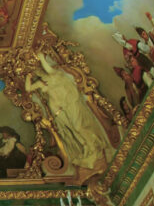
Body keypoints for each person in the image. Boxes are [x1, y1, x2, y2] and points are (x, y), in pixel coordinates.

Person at [25, 52, 113, 182]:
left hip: (69, 103)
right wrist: (28, 76)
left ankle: (93, 146)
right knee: (70, 130)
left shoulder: (56, 74)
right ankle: (85, 147)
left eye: (38, 69)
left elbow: (49, 69)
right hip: (57, 110)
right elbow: (28, 88)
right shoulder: (41, 83)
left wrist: (41, 57)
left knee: (78, 126)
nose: (38, 72)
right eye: (36, 71)